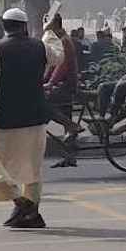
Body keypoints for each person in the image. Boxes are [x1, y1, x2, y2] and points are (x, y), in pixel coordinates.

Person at [0, 8, 50, 229]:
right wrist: (51, 32)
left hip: (3, 118)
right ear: (24, 26)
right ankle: (28, 206)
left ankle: (22, 204)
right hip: (35, 117)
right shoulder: (40, 46)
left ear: (3, 26)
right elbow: (57, 55)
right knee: (31, 169)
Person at [41, 13, 82, 168]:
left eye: (46, 24)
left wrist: (50, 83)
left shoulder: (63, 41)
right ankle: (69, 156)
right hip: (63, 83)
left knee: (43, 106)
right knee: (65, 119)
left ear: (54, 25)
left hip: (66, 84)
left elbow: (61, 66)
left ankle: (71, 125)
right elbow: (51, 66)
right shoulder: (58, 40)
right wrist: (43, 80)